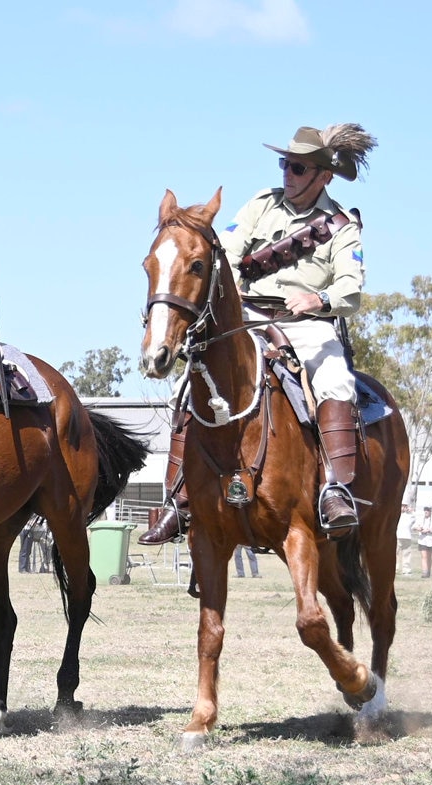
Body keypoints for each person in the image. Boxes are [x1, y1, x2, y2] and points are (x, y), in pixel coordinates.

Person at [140, 123, 377, 546]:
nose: (288, 174)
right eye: (286, 164)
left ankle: (334, 491)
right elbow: (225, 252)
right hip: (247, 315)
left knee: (334, 380)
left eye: (299, 168)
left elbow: (350, 288)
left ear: (323, 175)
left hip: (306, 324)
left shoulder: (342, 227)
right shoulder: (261, 205)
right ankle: (180, 498)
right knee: (184, 387)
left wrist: (318, 300)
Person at [414, 503, 432, 578]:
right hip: (422, 540)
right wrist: (419, 529)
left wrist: (429, 530)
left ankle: (428, 571)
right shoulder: (420, 519)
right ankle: (424, 572)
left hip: (430, 540)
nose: (426, 512)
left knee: (429, 557)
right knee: (424, 556)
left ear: (430, 511)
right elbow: (414, 527)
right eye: (425, 510)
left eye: (428, 510)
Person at [396, 501, 416, 575]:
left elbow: (415, 518)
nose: (403, 508)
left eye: (405, 506)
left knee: (406, 554)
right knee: (396, 554)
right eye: (402, 506)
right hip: (397, 536)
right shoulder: (396, 514)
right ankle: (395, 568)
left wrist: (412, 511)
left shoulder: (409, 516)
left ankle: (406, 570)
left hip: (407, 537)